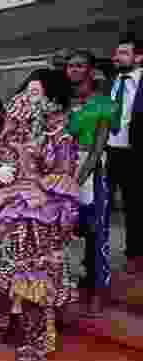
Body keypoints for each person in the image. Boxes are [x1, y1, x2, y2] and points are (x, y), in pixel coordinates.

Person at [0, 69, 79, 361]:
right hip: (3, 206)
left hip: (36, 211)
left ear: (53, 99)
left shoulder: (61, 134)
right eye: (26, 92)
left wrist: (34, 181)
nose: (27, 99)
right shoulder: (13, 128)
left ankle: (37, 339)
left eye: (35, 93)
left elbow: (63, 174)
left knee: (31, 274)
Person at [64, 50, 115, 316]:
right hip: (62, 167)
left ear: (91, 71)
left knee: (96, 233)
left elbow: (97, 150)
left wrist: (76, 181)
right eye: (70, 65)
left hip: (91, 172)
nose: (73, 70)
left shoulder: (104, 103)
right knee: (63, 230)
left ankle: (97, 292)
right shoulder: (62, 102)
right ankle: (65, 288)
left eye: (80, 65)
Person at [109, 34, 142, 275]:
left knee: (135, 204)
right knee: (101, 204)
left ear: (138, 57)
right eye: (117, 53)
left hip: (135, 154)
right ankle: (97, 257)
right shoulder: (110, 81)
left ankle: (135, 253)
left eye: (123, 53)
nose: (116, 57)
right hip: (108, 152)